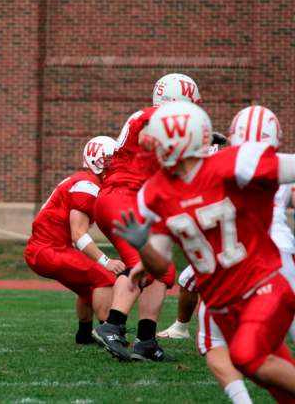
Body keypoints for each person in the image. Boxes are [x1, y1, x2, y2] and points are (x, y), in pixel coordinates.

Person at [116, 101, 295, 402]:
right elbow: (160, 266)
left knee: (246, 356)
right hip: (220, 299)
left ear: (179, 139)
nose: (149, 146)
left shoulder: (234, 162)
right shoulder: (153, 193)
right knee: (274, 381)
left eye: (156, 137)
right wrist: (142, 245)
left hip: (262, 282)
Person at [92, 73, 202, 362]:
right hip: (122, 198)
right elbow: (152, 138)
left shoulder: (154, 117)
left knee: (162, 271)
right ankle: (112, 326)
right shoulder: (155, 118)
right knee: (142, 265)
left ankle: (146, 341)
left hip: (127, 200)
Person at [24, 136, 126, 345]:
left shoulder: (83, 181)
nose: (116, 164)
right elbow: (78, 235)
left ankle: (84, 334)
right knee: (105, 277)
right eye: (111, 160)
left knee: (87, 287)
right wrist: (107, 261)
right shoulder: (87, 185)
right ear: (97, 162)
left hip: (45, 248)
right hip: (49, 250)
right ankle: (110, 334)